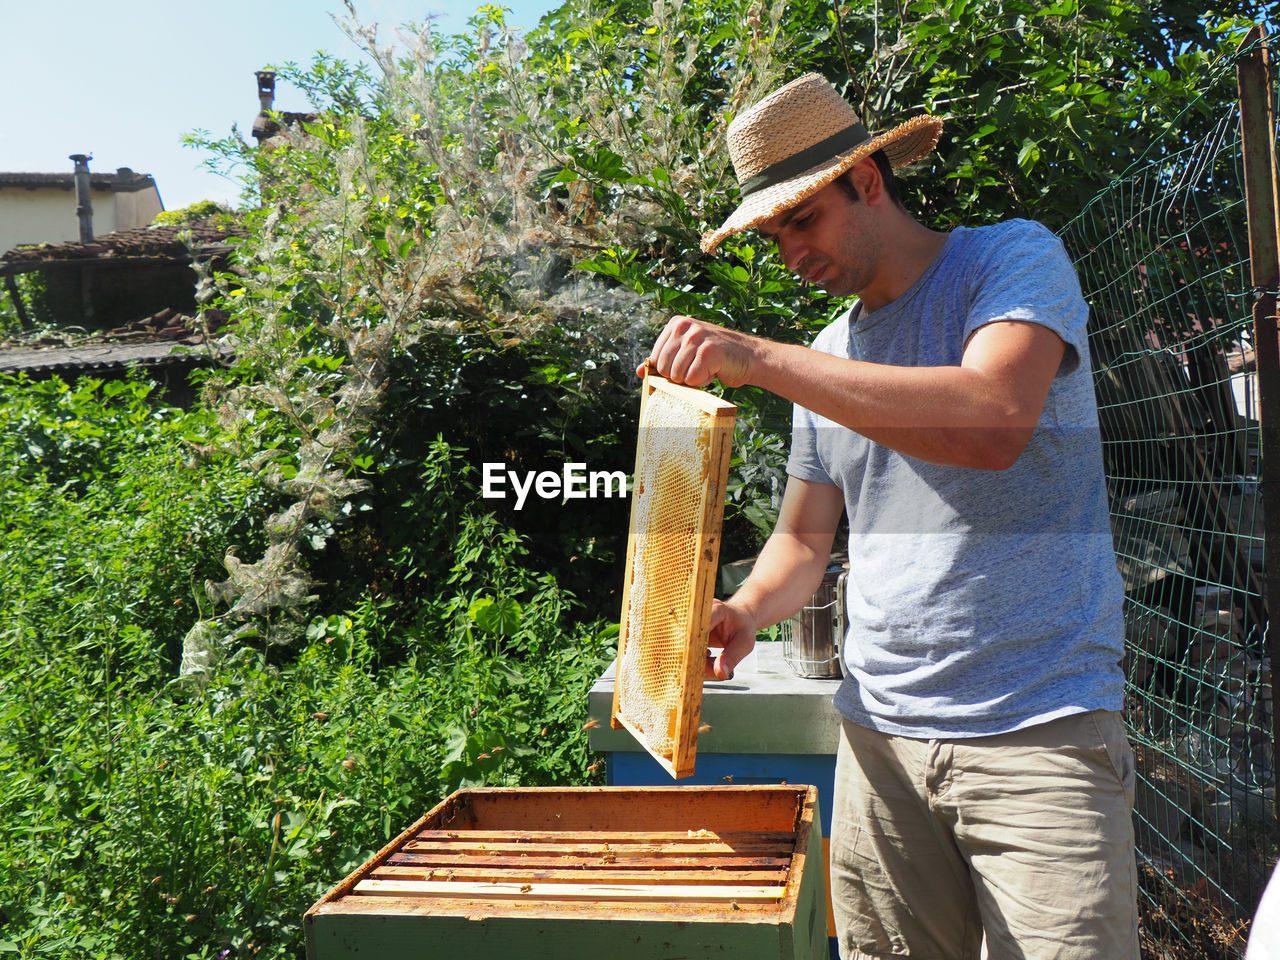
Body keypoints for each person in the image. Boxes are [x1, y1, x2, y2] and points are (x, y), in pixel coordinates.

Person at [641, 74, 1137, 960]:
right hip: (878, 743)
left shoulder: (1011, 261)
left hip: (1040, 736)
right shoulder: (827, 356)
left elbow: (992, 419)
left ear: (867, 181)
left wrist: (757, 357)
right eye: (772, 233)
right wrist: (743, 611)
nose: (790, 251)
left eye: (803, 220)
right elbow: (800, 541)